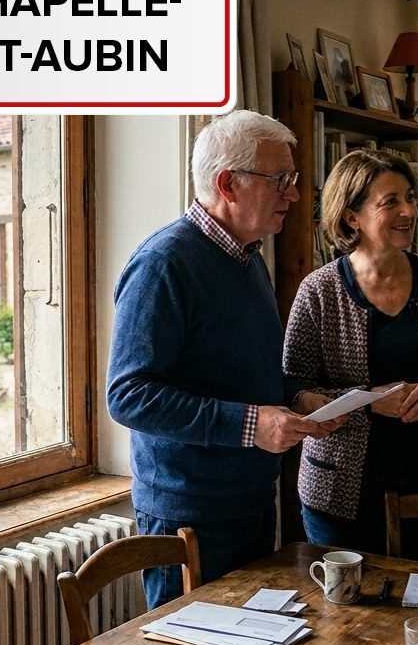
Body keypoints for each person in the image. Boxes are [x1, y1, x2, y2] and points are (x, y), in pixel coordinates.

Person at [107, 110, 343, 609]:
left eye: (293, 179)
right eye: (280, 180)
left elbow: (239, 370)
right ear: (227, 184)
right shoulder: (163, 263)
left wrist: (296, 398)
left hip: (251, 499)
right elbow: (128, 396)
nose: (294, 194)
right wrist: (252, 425)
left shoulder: (247, 256)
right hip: (188, 514)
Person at [284, 149, 418, 565]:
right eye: (390, 201)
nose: (408, 211)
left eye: (409, 197)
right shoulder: (318, 291)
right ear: (352, 217)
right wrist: (368, 402)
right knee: (347, 605)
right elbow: (293, 390)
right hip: (339, 493)